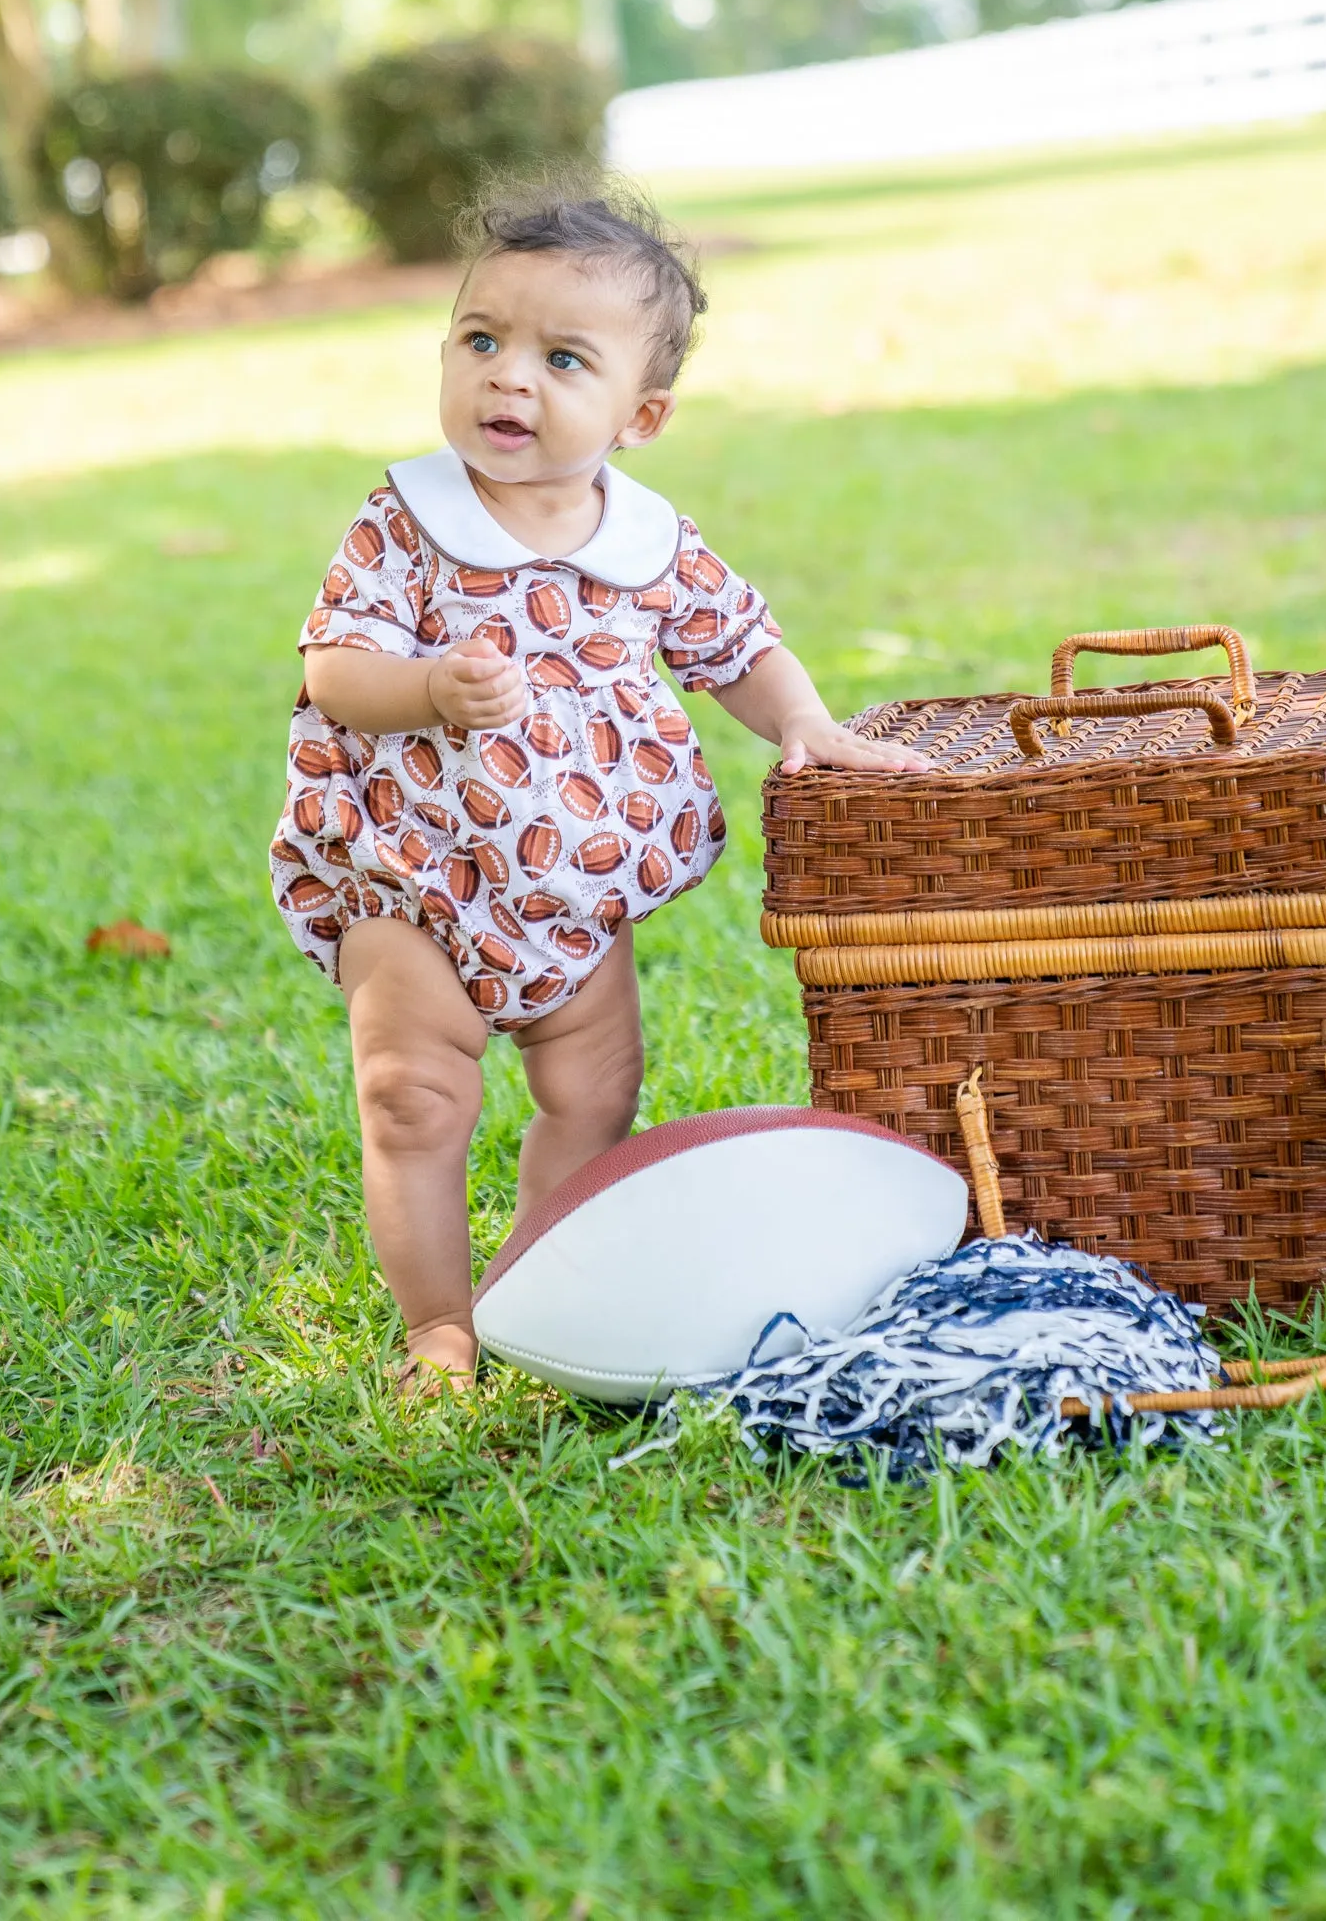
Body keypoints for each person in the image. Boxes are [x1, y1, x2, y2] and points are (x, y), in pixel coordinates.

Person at [270, 177, 927, 1391]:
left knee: (593, 1091)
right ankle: (436, 1325)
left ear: (641, 413)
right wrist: (428, 689)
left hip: (573, 890)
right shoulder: (405, 519)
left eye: (561, 358)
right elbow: (334, 668)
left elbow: (734, 643)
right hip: (414, 872)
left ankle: (529, 1285)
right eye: (481, 340)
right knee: (411, 1094)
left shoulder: (647, 541)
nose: (507, 377)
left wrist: (803, 720)